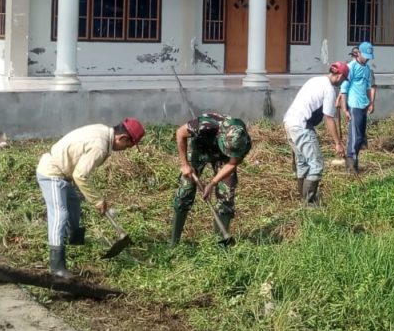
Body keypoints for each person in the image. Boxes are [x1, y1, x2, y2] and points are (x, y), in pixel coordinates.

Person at [35, 118, 145, 278]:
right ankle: (57, 266)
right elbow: (80, 175)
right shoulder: (100, 146)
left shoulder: (104, 131)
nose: (125, 149)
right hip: (52, 173)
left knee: (74, 205)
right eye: (127, 146)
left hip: (64, 174)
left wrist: (93, 196)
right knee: (60, 214)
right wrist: (98, 200)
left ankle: (75, 243)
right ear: (122, 138)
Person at [169, 112, 252, 247]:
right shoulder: (205, 125)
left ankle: (221, 243)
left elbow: (232, 163)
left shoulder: (243, 142)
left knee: (226, 194)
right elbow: (180, 133)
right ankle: (173, 242)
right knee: (186, 188)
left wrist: (212, 183)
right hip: (200, 148)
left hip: (223, 157)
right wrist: (185, 165)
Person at [283, 61, 349, 206]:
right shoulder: (329, 90)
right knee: (316, 164)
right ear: (340, 76)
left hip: (289, 122)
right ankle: (309, 204)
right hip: (301, 125)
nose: (342, 82)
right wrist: (338, 143)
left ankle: (303, 199)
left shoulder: (315, 80)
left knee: (302, 163)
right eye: (344, 79)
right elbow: (329, 118)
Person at [338, 41, 377, 174]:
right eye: (364, 55)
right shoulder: (351, 67)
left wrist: (370, 103)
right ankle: (350, 165)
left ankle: (355, 161)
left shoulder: (366, 68)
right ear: (358, 53)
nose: (366, 59)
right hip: (354, 105)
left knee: (361, 136)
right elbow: (344, 89)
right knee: (355, 136)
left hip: (363, 104)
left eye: (368, 56)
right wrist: (344, 108)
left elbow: (368, 87)